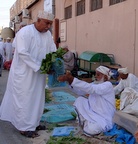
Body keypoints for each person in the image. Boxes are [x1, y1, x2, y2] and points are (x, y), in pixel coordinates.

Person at [0, 10, 57, 138]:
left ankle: (34, 123)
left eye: (50, 24)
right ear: (38, 20)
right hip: (24, 74)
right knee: (25, 100)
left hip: (39, 74)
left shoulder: (47, 34)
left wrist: (55, 60)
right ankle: (24, 127)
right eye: (46, 23)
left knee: (38, 98)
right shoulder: (24, 33)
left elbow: (52, 49)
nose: (48, 27)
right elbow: (23, 53)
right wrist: (40, 67)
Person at [58, 65, 116, 136]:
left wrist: (72, 79)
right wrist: (70, 81)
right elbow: (80, 91)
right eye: (96, 74)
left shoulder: (108, 85)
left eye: (98, 75)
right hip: (93, 112)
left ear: (105, 76)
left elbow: (91, 89)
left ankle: (87, 123)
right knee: (80, 100)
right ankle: (85, 121)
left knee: (92, 130)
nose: (96, 76)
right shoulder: (95, 84)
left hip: (103, 118)